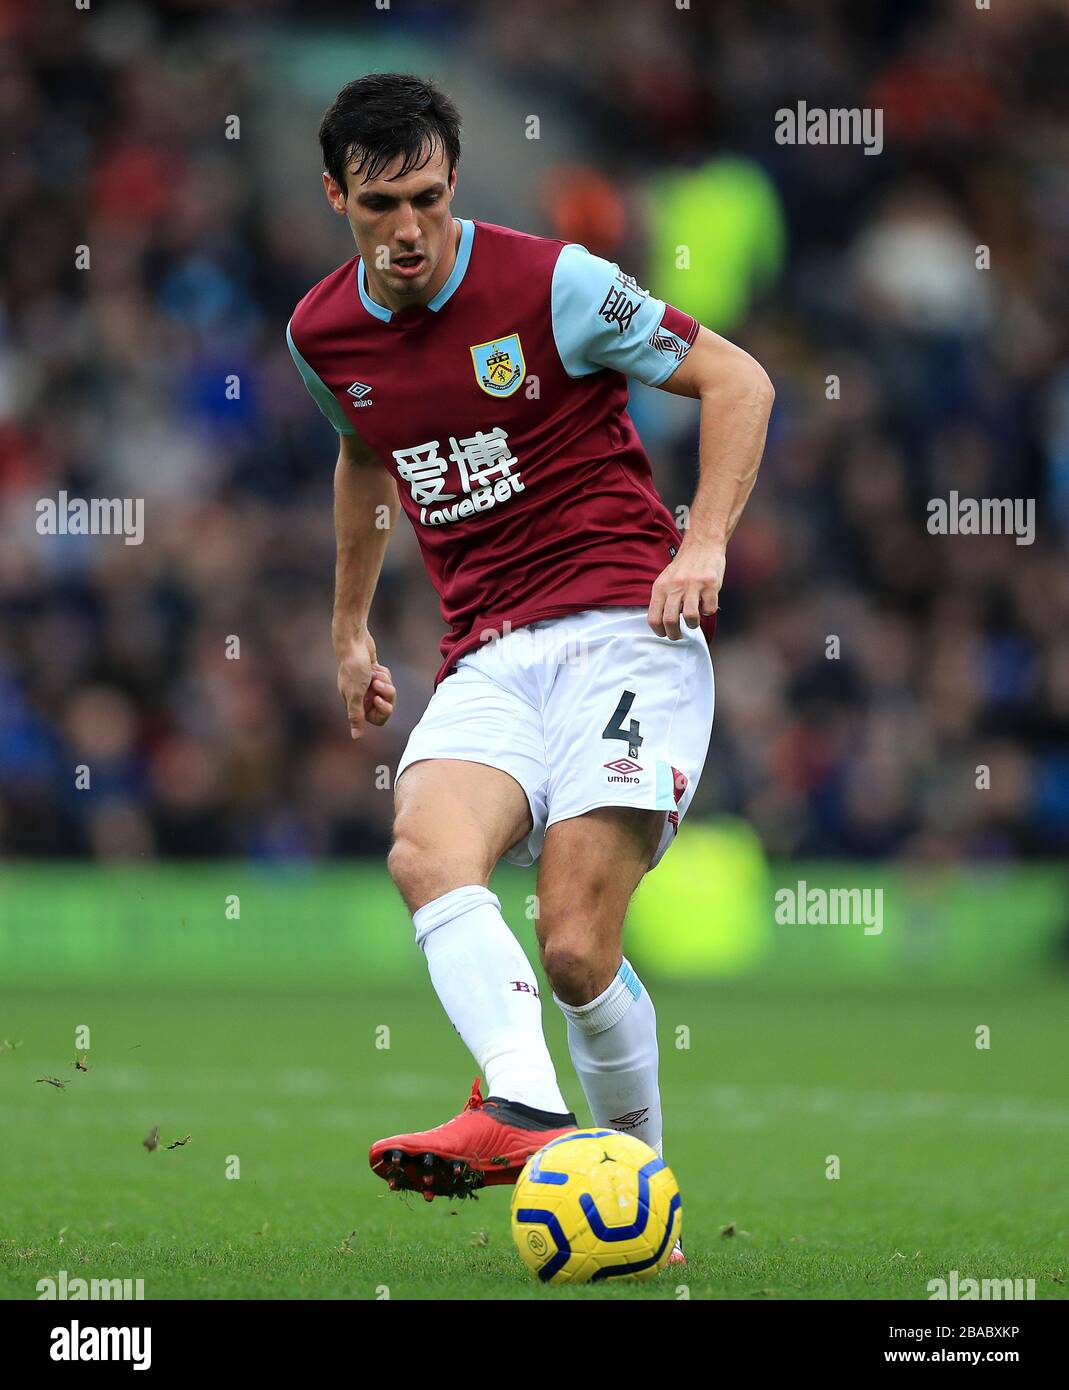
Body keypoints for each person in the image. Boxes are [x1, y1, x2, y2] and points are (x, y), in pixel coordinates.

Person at [287, 73, 773, 1260]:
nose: (409, 231)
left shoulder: (553, 283)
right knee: (422, 846)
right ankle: (522, 1102)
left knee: (573, 946)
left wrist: (701, 538)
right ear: (334, 193)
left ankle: (637, 1205)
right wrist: (350, 629)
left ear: (453, 183)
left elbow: (738, 379)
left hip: (625, 628)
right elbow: (363, 459)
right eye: (380, 205)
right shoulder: (320, 335)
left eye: (429, 200)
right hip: (488, 652)